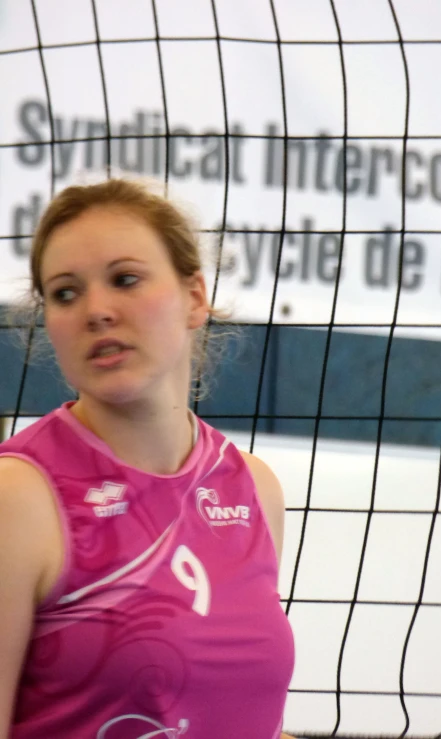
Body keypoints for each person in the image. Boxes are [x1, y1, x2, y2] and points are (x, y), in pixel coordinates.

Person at [0, 178, 296, 739]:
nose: (97, 310)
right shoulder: (17, 498)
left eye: (125, 279)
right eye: (65, 293)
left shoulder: (252, 487)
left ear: (194, 298)